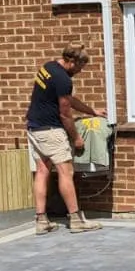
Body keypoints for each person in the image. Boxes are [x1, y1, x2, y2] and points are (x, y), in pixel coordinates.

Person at [26, 47, 102, 235]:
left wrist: (92, 111)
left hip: (34, 128)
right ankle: (76, 219)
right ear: (72, 62)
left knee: (42, 171)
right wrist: (76, 138)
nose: (80, 71)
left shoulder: (48, 67)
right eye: (80, 67)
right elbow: (65, 113)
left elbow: (67, 100)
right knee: (65, 171)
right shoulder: (63, 79)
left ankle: (41, 220)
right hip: (51, 131)